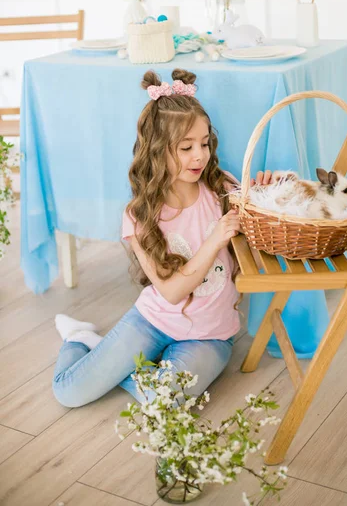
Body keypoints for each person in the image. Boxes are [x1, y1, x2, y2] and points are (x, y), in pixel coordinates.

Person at [52, 68, 271, 408]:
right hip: (153, 320)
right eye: (185, 147)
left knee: (163, 403)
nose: (199, 156)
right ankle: (81, 340)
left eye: (204, 144)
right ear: (157, 151)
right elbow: (169, 292)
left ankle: (110, 358)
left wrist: (266, 194)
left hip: (209, 336)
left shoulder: (220, 188)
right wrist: (215, 238)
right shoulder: (139, 216)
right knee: (69, 392)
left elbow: (263, 224)